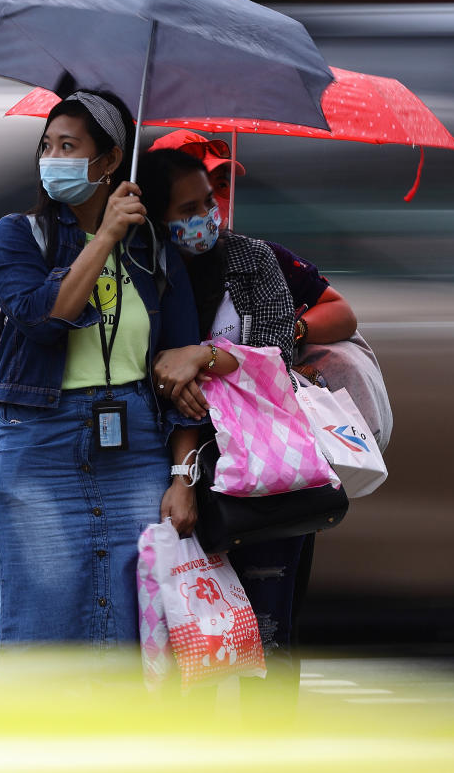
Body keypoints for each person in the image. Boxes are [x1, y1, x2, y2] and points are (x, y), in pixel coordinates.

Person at [0, 90, 203, 647]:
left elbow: (181, 378)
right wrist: (103, 236)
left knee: (135, 620)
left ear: (109, 162)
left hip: (136, 446)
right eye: (47, 146)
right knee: (43, 619)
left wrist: (183, 477)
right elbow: (44, 318)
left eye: (69, 146)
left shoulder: (151, 248)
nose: (52, 157)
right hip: (40, 439)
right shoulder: (18, 235)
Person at [141, 148, 306, 711]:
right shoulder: (138, 272)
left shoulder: (253, 260)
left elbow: (278, 356)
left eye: (208, 202)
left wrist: (201, 357)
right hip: (172, 471)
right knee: (190, 632)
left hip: (261, 468)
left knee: (268, 634)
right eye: (187, 207)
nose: (205, 217)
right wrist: (169, 378)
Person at [149, 130, 358, 349]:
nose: (210, 205)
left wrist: (287, 330)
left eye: (220, 186)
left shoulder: (256, 259)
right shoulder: (136, 264)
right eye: (191, 193)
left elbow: (340, 312)